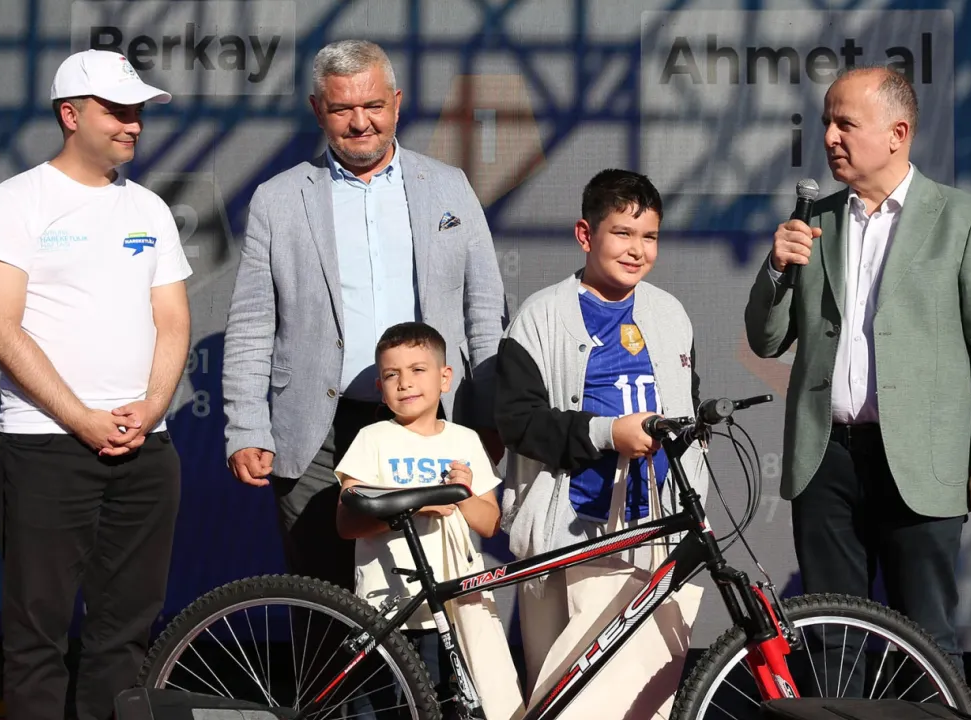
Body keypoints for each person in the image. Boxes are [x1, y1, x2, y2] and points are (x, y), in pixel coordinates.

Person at [744, 66, 971, 665]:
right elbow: (766, 341)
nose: (829, 137)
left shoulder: (965, 219)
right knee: (831, 640)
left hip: (921, 460)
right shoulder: (814, 221)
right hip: (826, 458)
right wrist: (775, 269)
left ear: (898, 133)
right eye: (826, 123)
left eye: (845, 124)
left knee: (925, 642)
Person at [221, 39, 507, 591]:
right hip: (318, 433)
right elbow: (253, 324)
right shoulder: (278, 200)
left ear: (396, 103)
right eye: (342, 108)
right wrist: (246, 426)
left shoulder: (449, 186)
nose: (360, 122)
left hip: (431, 425)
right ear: (317, 110)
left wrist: (490, 413)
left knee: (430, 594)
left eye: (373, 105)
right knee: (323, 598)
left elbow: (485, 309)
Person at [0, 49, 191, 720]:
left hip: (145, 447)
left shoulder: (150, 207)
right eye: (117, 110)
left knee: (125, 633)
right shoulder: (15, 201)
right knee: (36, 634)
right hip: (46, 445)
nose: (133, 124)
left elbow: (173, 320)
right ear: (71, 114)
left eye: (138, 112)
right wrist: (83, 418)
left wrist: (151, 408)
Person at [495, 169, 707, 695]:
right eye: (622, 233)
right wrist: (608, 433)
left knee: (643, 691)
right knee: (561, 689)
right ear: (585, 234)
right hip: (569, 529)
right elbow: (518, 421)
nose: (637, 249)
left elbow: (688, 404)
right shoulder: (540, 317)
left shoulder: (671, 313)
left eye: (649, 236)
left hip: (654, 525)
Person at [334, 321, 502, 716]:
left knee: (442, 706)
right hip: (383, 607)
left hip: (450, 608)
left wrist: (463, 495)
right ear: (381, 387)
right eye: (392, 374)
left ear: (445, 378)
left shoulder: (465, 440)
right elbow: (346, 523)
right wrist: (418, 504)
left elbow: (490, 523)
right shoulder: (372, 438)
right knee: (376, 709)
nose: (405, 382)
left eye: (418, 370)